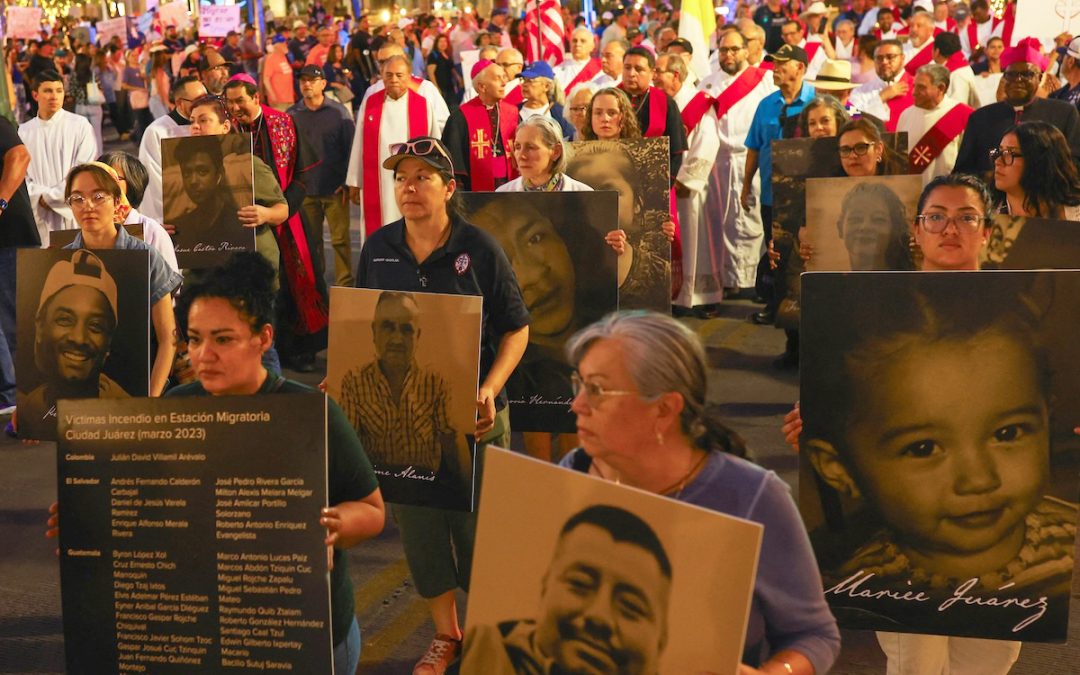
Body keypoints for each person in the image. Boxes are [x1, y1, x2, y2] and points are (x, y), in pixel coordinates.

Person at [784, 173, 1039, 674]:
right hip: (903, 531)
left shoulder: (1021, 313)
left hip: (1001, 529)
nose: (951, 228)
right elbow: (845, 415)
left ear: (987, 230)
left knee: (988, 661)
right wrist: (810, 429)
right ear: (916, 233)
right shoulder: (869, 312)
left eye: (967, 217)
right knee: (915, 663)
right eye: (936, 217)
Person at [558, 311, 841, 674]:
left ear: (664, 409)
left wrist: (773, 673)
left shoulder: (752, 496)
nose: (577, 405)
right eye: (578, 384)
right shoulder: (576, 470)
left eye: (596, 389)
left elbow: (814, 634)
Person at [353, 138, 529, 675]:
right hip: (402, 427)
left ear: (449, 188)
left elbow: (516, 329)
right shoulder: (379, 248)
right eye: (401, 178)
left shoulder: (480, 248)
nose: (409, 187)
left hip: (475, 418)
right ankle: (445, 635)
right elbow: (362, 329)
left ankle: (489, 635)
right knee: (423, 534)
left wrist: (490, 388)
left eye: (423, 177)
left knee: (481, 532)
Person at [162, 252, 383, 675]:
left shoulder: (310, 413)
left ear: (263, 339)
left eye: (223, 339)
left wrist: (332, 526)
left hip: (306, 627)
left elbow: (372, 510)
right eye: (193, 339)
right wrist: (94, 515)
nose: (202, 355)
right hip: (214, 628)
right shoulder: (176, 409)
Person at [25, 163, 180, 430]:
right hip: (74, 418)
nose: (87, 206)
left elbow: (169, 338)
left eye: (98, 196)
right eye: (77, 198)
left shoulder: (144, 258)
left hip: (140, 399)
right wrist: (32, 419)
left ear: (117, 202)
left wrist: (151, 401)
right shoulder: (57, 261)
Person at [461, 504, 674, 673]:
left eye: (631, 606)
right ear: (545, 588)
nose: (599, 616)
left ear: (661, 641)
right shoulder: (472, 653)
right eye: (580, 584)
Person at [224, 75, 327, 372]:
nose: (235, 108)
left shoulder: (284, 122)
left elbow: (303, 176)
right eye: (230, 102)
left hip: (288, 217)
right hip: (245, 222)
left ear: (256, 98)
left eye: (240, 100)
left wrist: (282, 209)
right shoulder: (226, 131)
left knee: (295, 283)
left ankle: (298, 351)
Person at [338, 290, 467, 480]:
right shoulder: (353, 382)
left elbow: (452, 444)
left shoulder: (436, 382)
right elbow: (347, 448)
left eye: (406, 329)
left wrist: (464, 494)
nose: (397, 339)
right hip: (375, 484)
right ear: (374, 332)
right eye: (388, 327)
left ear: (418, 336)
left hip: (425, 490)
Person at [692, 29, 775, 311]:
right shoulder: (707, 84)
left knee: (754, 220)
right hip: (719, 163)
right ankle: (727, 280)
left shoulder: (765, 80)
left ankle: (755, 280)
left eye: (734, 49)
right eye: (724, 49)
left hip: (754, 159)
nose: (729, 55)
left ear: (746, 50)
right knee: (721, 221)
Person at [743, 44, 815, 327]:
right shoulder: (766, 104)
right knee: (775, 252)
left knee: (803, 253)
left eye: (782, 64)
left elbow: (853, 119)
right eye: (774, 63)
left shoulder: (817, 103)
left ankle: (804, 311)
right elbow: (753, 148)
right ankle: (775, 306)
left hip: (807, 196)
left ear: (800, 68)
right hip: (772, 194)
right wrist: (746, 185)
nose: (775, 69)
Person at [954, 38, 1080, 179]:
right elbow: (963, 171)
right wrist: (990, 177)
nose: (1018, 80)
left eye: (1027, 74)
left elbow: (1074, 164)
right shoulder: (980, 118)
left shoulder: (1064, 113)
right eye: (1011, 74)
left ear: (1039, 78)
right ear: (1004, 79)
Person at [348, 55, 440, 236]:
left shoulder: (422, 105)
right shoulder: (370, 104)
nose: (394, 80)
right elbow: (359, 142)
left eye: (399, 75)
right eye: (388, 75)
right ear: (382, 76)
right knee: (379, 229)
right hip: (378, 181)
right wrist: (354, 181)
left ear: (409, 76)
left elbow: (434, 143)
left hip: (414, 182)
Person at [288, 65, 355, 286]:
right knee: (311, 243)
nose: (306, 84)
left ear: (323, 84)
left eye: (312, 80)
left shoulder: (338, 113)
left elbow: (351, 149)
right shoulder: (292, 115)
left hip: (335, 189)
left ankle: (345, 286)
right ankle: (317, 288)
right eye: (303, 80)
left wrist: (347, 182)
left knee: (340, 241)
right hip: (306, 191)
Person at [19, 70, 98, 246]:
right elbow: (21, 176)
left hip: (72, 208)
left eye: (59, 90)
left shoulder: (79, 125)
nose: (54, 96)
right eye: (47, 90)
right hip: (38, 211)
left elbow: (85, 168)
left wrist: (52, 197)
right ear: (35, 94)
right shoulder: (23, 131)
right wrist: (38, 196)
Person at [0, 115, 37, 413]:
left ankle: (28, 399)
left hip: (10, 235)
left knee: (15, 319)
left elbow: (19, 155)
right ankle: (10, 396)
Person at [137, 75, 207, 223]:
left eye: (206, 98)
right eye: (198, 101)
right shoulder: (157, 131)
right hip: (175, 212)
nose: (203, 104)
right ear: (180, 103)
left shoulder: (210, 123)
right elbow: (153, 180)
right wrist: (164, 218)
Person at [441, 60, 518, 191]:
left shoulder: (512, 112)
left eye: (504, 77)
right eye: (497, 78)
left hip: (510, 187)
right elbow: (455, 163)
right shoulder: (461, 117)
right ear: (482, 87)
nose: (504, 83)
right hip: (475, 191)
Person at [97, 150, 179, 274]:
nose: (102, 184)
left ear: (132, 182)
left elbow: (171, 286)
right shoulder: (88, 228)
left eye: (113, 177)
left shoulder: (152, 231)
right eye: (98, 177)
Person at [896, 63, 972, 184]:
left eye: (921, 87)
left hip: (948, 191)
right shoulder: (906, 115)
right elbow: (898, 160)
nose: (914, 92)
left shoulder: (963, 115)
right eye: (914, 86)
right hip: (912, 193)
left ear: (941, 88)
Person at [993, 122, 1080, 220]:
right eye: (999, 152)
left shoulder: (1075, 214)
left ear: (1039, 161)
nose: (997, 161)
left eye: (1009, 153)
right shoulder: (985, 211)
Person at [849, 39, 913, 132]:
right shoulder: (859, 91)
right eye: (879, 58)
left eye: (890, 57)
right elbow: (852, 120)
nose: (884, 62)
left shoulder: (918, 87)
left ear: (902, 58)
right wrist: (880, 98)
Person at [517, 61, 575, 139]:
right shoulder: (514, 111)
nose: (524, 84)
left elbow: (569, 140)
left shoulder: (560, 112)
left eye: (530, 81)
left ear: (547, 86)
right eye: (523, 80)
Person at [555, 26, 602, 95]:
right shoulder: (557, 71)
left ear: (592, 46)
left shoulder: (601, 69)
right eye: (574, 41)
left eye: (583, 41)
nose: (577, 44)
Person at [426, 34, 462, 105]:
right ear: (436, 43)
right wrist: (436, 88)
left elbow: (452, 69)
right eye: (440, 41)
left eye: (445, 41)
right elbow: (430, 73)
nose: (443, 43)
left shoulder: (447, 55)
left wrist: (459, 79)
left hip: (449, 87)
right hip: (440, 87)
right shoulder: (433, 55)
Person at [263, 34, 295, 111]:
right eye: (283, 43)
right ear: (277, 45)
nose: (286, 44)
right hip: (278, 101)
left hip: (289, 99)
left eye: (286, 42)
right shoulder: (271, 59)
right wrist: (272, 95)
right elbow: (266, 79)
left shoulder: (284, 57)